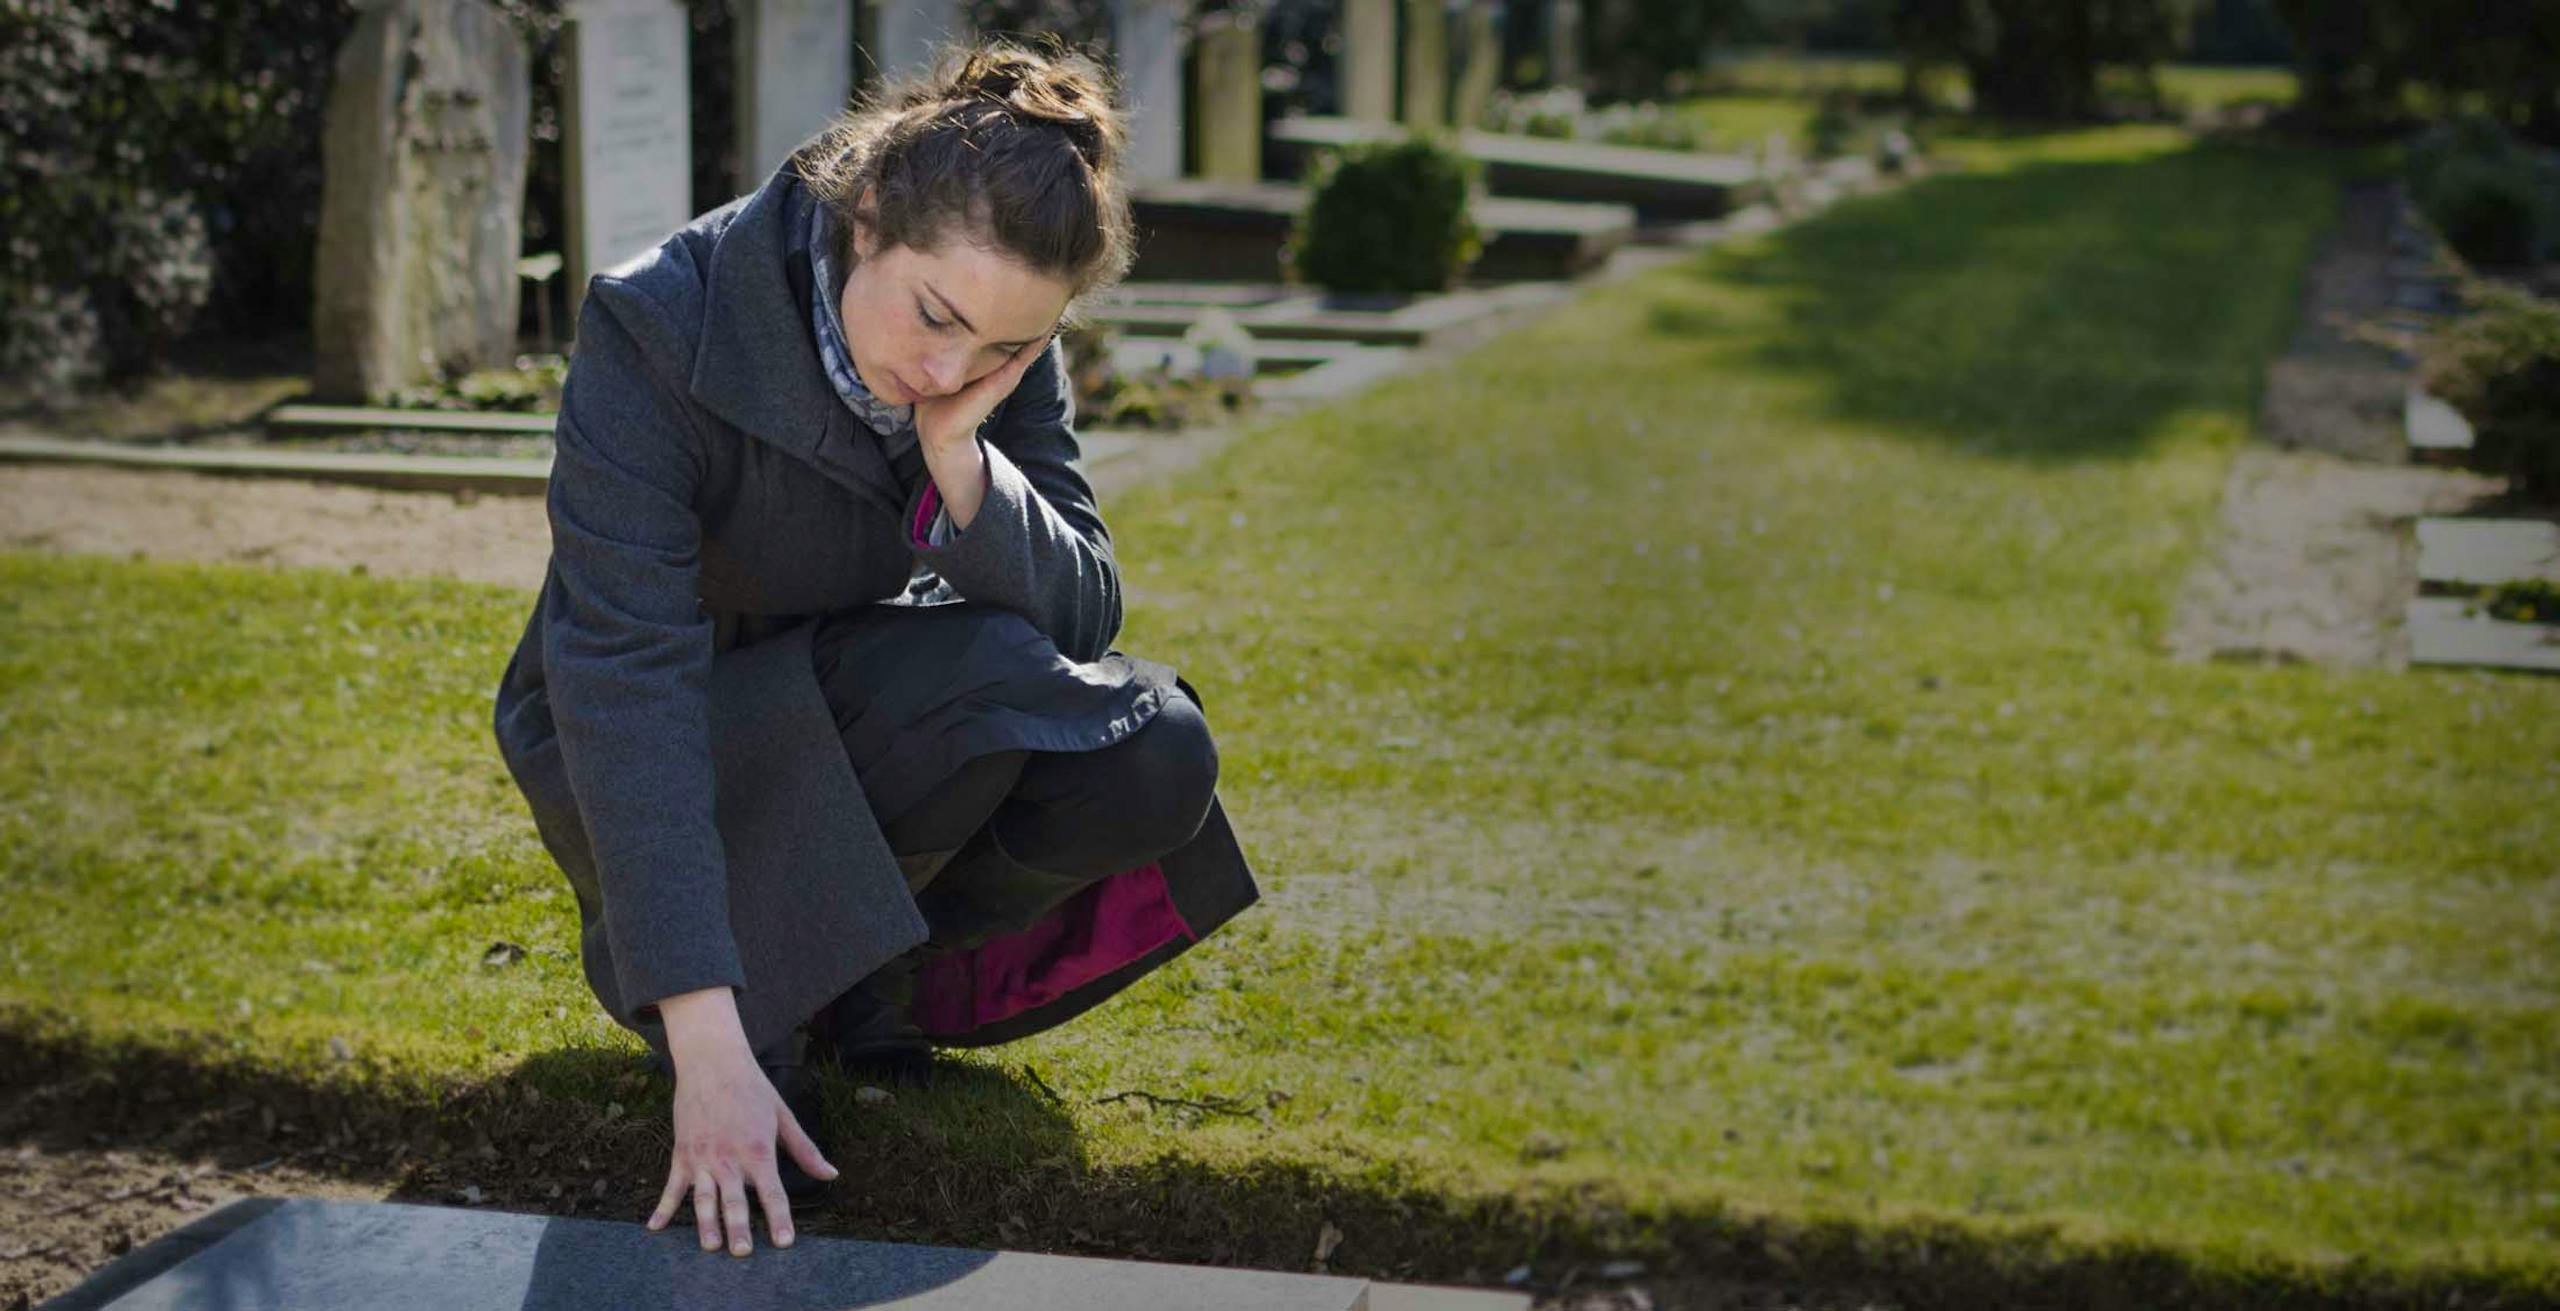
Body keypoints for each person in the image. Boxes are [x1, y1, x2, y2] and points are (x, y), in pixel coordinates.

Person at [490, 41, 1259, 1262]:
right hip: (656, 733)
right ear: (862, 221)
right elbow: (627, 688)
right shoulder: (655, 326)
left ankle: (861, 982)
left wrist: (963, 458)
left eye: (1004, 350)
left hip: (874, 697)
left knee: (1152, 753)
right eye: (934, 318)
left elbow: (1082, 612)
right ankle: (759, 1010)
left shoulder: (998, 337)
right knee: (971, 686)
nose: (952, 368)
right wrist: (705, 1046)